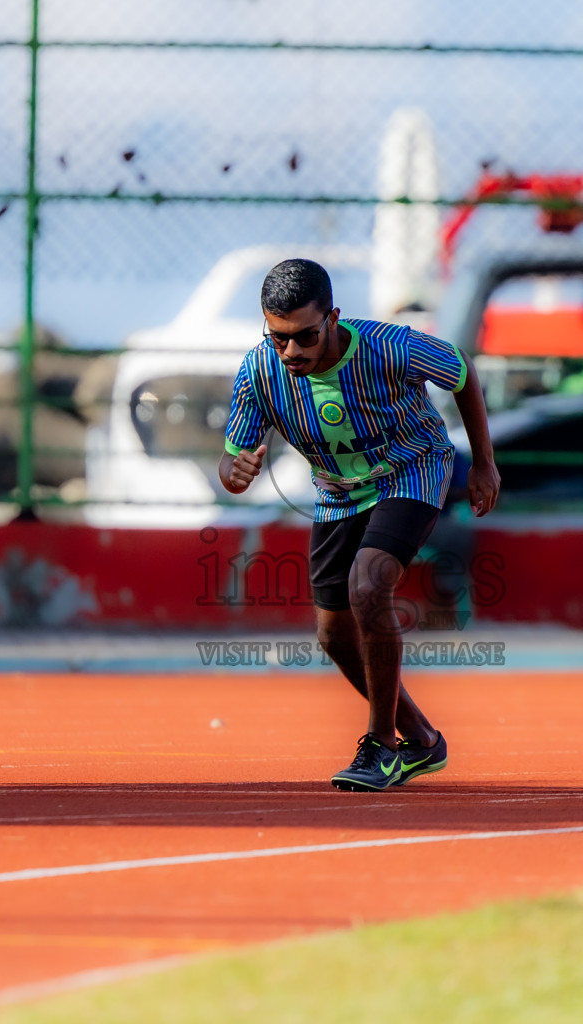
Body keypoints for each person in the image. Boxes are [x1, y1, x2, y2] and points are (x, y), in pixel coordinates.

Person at [219, 258, 500, 791]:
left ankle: (382, 748)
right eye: (278, 339)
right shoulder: (259, 370)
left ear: (333, 317)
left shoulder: (388, 346)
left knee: (369, 586)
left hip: (411, 470)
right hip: (337, 492)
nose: (292, 353)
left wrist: (483, 463)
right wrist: (236, 473)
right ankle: (420, 738)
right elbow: (230, 467)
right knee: (333, 634)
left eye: (305, 336)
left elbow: (461, 371)